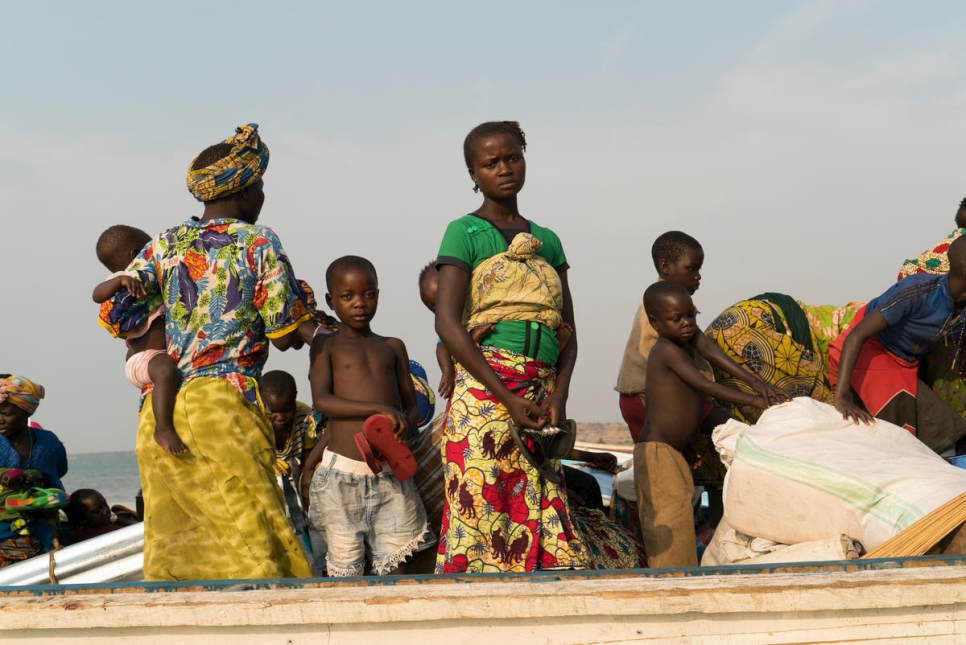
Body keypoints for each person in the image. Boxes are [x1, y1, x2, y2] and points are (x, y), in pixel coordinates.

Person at [98, 123, 313, 581]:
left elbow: (118, 308)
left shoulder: (166, 242)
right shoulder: (257, 241)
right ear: (247, 190)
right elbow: (283, 334)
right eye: (260, 186)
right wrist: (309, 322)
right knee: (256, 551)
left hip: (159, 411)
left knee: (177, 556)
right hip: (221, 411)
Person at [434, 120, 587, 573]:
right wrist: (507, 398)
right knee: (483, 516)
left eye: (512, 157)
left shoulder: (548, 241)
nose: (504, 168)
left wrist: (557, 395)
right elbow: (447, 321)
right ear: (472, 173)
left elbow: (569, 330)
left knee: (540, 517)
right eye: (490, 162)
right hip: (486, 394)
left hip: (538, 399)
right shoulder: (463, 232)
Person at [635, 283, 779, 568]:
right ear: (654, 322)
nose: (688, 324)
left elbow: (711, 350)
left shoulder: (683, 340)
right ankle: (671, 597)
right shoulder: (665, 350)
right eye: (677, 319)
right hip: (656, 454)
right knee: (670, 535)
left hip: (673, 451)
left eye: (692, 315)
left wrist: (757, 383)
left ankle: (682, 594)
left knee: (680, 525)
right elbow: (701, 384)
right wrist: (756, 400)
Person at [308, 255, 434, 577]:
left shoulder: (393, 346)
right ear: (331, 301)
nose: (359, 304)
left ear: (378, 294)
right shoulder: (326, 346)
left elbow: (412, 406)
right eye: (347, 297)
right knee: (346, 573)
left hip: (391, 474)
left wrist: (406, 420)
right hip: (340, 479)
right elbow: (322, 401)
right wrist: (377, 408)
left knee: (397, 568)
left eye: (368, 294)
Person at [830, 236, 966, 452]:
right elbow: (856, 336)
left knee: (950, 432)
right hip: (869, 353)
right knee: (900, 437)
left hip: (905, 366)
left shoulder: (961, 308)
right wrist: (842, 397)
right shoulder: (918, 291)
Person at [93, 225, 187, 456]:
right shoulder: (124, 279)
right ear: (136, 254)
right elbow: (97, 295)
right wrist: (120, 281)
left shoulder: (154, 284)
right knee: (165, 371)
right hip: (145, 359)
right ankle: (163, 429)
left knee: (171, 369)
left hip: (157, 356)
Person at [419, 261, 572, 399]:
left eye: (442, 300)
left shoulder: (476, 308)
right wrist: (447, 371)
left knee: (539, 366)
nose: (440, 309)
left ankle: (555, 348)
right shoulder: (448, 324)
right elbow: (442, 346)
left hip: (517, 362)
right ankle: (473, 341)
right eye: (432, 307)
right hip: (479, 377)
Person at [0, 375, 68, 567]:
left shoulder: (48, 442)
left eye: (6, 413)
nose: (0, 420)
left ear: (26, 412)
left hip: (42, 531)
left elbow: (59, 471)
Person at [262, 370, 316, 499]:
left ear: (294, 397)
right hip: (264, 479)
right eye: (273, 412)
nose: (280, 417)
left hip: (294, 480)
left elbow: (307, 458)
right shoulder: (257, 419)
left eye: (286, 410)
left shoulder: (305, 416)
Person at [64, 489, 138, 545]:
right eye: (97, 511)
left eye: (105, 505)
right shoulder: (109, 531)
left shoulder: (76, 534)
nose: (105, 511)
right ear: (81, 520)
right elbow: (137, 528)